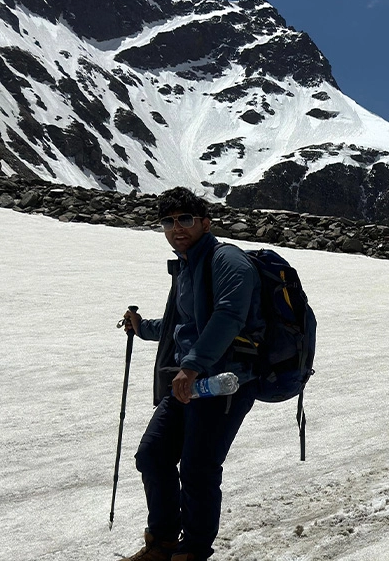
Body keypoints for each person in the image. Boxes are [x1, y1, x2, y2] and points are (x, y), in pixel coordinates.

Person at [119, 187, 264, 561]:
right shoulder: (187, 265)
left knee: (199, 468)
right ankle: (164, 542)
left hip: (224, 382)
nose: (175, 228)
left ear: (205, 223)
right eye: (167, 221)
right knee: (152, 455)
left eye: (184, 219)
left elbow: (228, 318)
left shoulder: (227, 260)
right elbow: (181, 323)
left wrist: (191, 366)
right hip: (189, 380)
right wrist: (142, 327)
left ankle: (193, 551)